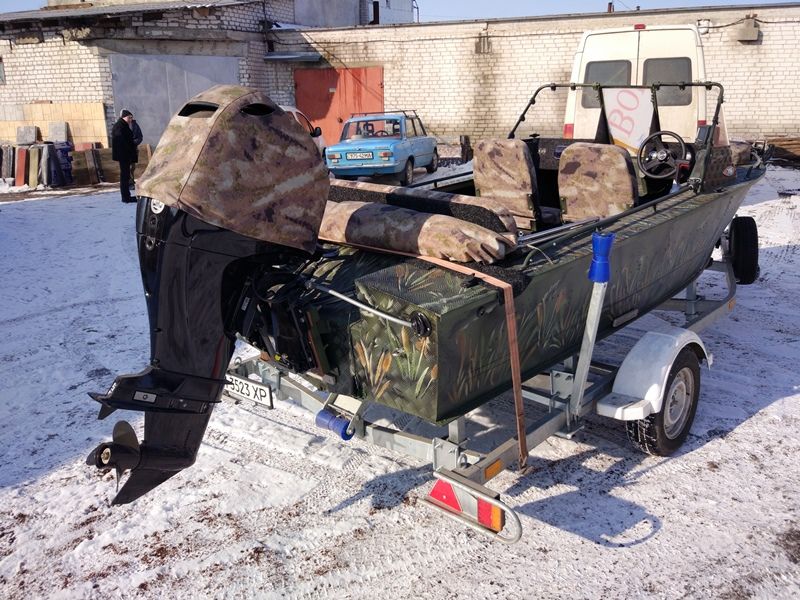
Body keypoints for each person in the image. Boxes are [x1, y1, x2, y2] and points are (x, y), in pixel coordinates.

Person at [111, 108, 137, 204]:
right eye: (129, 117)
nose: (130, 119)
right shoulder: (119, 126)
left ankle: (126, 196)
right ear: (124, 117)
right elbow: (121, 142)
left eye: (131, 118)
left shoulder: (123, 125)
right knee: (125, 176)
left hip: (125, 155)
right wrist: (129, 151)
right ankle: (125, 197)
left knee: (126, 176)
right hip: (124, 156)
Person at [130, 117, 143, 186]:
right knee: (127, 167)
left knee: (132, 167)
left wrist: (134, 142)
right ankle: (129, 183)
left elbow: (140, 137)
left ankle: (131, 181)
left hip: (133, 149)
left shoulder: (135, 125)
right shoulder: (120, 125)